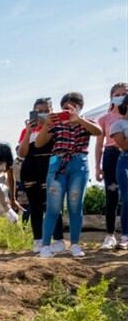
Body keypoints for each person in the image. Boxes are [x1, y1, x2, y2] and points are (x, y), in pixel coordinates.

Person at [34, 92, 103, 258]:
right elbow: (38, 143)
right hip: (57, 164)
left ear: (80, 108)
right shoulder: (57, 123)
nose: (68, 110)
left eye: (73, 107)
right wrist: (46, 125)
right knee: (53, 207)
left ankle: (75, 244)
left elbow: (98, 131)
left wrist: (78, 119)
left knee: (75, 206)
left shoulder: (86, 121)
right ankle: (45, 245)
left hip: (79, 165)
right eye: (65, 108)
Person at [17, 98, 65, 253]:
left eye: (46, 111)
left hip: (51, 167)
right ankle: (38, 240)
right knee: (35, 206)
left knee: (53, 205)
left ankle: (57, 239)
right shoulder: (27, 131)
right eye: (39, 112)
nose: (43, 114)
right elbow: (22, 153)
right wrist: (29, 132)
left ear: (52, 111)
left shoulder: (57, 128)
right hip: (31, 169)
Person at [95, 82, 128, 250]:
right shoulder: (104, 119)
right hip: (111, 155)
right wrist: (97, 167)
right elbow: (99, 144)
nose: (122, 96)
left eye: (125, 93)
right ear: (112, 97)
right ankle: (110, 234)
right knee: (112, 195)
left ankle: (125, 235)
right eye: (119, 93)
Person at [108, 96, 128, 250]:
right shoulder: (117, 125)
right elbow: (124, 144)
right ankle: (126, 236)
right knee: (127, 198)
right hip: (125, 161)